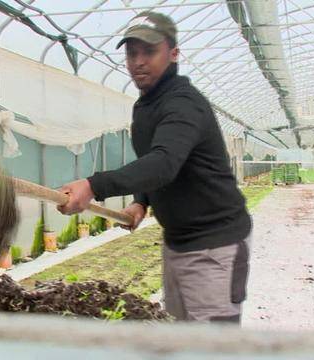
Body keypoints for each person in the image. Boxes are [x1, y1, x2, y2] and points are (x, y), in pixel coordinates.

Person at [57, 11, 252, 323]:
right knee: (181, 334)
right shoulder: (147, 105)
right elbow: (156, 160)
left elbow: (164, 163)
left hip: (214, 246)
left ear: (173, 54)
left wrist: (94, 185)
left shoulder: (182, 103)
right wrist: (141, 201)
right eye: (132, 53)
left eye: (149, 51)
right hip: (178, 241)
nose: (138, 62)